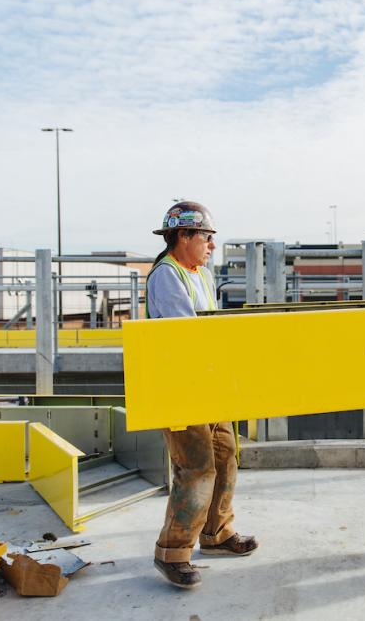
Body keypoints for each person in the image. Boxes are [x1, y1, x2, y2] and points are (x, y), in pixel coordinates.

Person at [146, 200, 258, 589]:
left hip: (208, 384)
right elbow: (186, 337)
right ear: (183, 236)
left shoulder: (201, 275)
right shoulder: (167, 276)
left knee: (226, 457)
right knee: (195, 468)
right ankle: (172, 552)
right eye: (207, 238)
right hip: (182, 388)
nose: (212, 245)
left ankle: (217, 534)